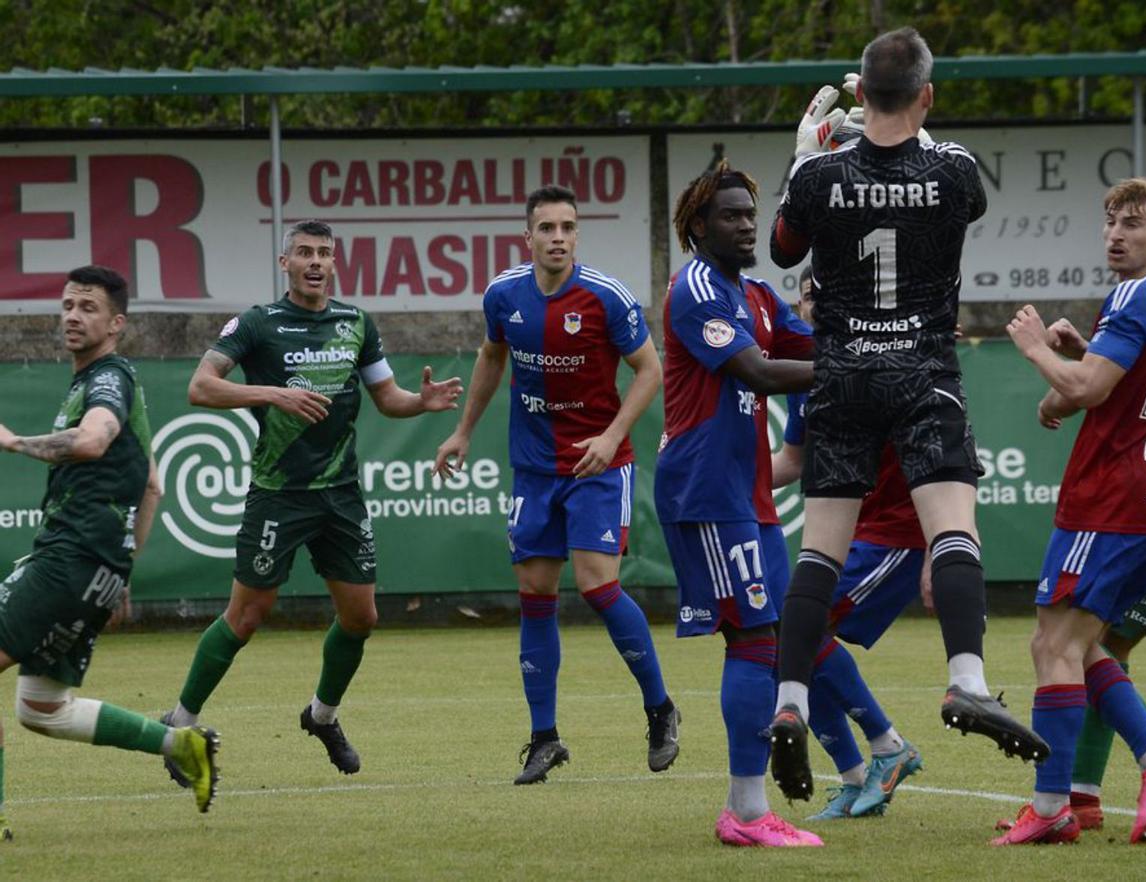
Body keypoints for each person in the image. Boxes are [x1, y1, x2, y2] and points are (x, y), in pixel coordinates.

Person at [768, 26, 1044, 805]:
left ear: (859, 92)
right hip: (924, 371)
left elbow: (785, 249)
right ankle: (966, 681)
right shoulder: (952, 167)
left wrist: (807, 153)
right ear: (926, 95)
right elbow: (959, 191)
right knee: (954, 530)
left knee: (818, 553)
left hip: (844, 376)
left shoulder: (819, 174)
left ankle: (789, 701)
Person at [161, 221, 462, 780]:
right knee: (247, 617)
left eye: (324, 253)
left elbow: (387, 399)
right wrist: (272, 392)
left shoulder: (354, 322)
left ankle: (322, 716)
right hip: (279, 494)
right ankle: (178, 723)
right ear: (286, 264)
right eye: (304, 253)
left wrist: (421, 403)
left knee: (361, 616)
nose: (315, 262)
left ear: (334, 262)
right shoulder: (258, 323)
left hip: (341, 494)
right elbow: (200, 387)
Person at [434, 186, 677, 785]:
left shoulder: (605, 296)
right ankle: (545, 738)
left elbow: (651, 370)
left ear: (577, 234)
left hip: (599, 464)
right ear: (529, 236)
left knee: (597, 586)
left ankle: (660, 709)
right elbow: (492, 357)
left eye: (568, 226)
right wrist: (462, 431)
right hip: (535, 468)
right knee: (535, 592)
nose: (559, 237)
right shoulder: (503, 294)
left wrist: (611, 433)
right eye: (548, 228)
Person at [995, 177, 1146, 845]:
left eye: (1132, 224)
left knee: (1053, 644)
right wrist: (1076, 361)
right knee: (1081, 647)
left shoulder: (1138, 293)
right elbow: (1112, 384)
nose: (1115, 234)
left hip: (1112, 497)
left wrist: (1034, 348)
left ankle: (1053, 806)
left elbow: (1083, 390)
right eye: (1110, 221)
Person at [0, 266, 219, 839]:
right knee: (41, 708)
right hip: (95, 565)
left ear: (116, 323)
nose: (73, 315)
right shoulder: (121, 387)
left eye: (89, 307)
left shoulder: (106, 380)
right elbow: (153, 485)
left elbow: (93, 441)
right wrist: (120, 572)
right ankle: (181, 743)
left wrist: (13, 442)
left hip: (68, 558)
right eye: (68, 304)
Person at [658, 159, 820, 847]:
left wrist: (883, 344)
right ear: (698, 226)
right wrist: (857, 369)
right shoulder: (696, 287)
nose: (747, 224)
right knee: (754, 640)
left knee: (772, 639)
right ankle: (747, 815)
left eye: (751, 214)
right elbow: (758, 370)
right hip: (708, 489)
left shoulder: (752, 293)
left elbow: (811, 346)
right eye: (730, 215)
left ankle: (749, 805)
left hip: (743, 489)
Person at [772, 266, 924, 821]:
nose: (819, 306)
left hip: (897, 535)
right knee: (790, 648)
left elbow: (944, 459)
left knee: (798, 634)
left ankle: (887, 746)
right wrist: (720, 479)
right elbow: (790, 461)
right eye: (813, 296)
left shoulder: (886, 360)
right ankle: (860, 777)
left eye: (834, 296)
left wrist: (946, 544)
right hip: (851, 535)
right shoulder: (809, 375)